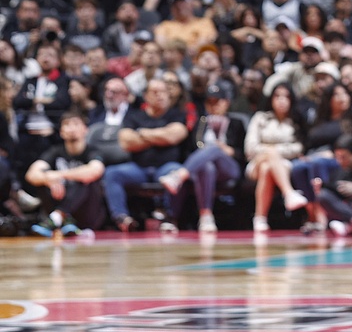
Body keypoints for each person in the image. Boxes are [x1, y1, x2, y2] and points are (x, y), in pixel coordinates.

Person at [105, 77, 190, 232]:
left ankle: (169, 217)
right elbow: (126, 142)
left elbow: (174, 136)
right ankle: (122, 218)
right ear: (146, 96)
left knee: (177, 173)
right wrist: (160, 137)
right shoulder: (134, 115)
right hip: (139, 168)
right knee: (112, 173)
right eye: (155, 92)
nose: (160, 95)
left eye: (164, 92)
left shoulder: (177, 114)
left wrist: (141, 133)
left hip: (166, 167)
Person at [172, 79, 246, 234]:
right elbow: (191, 150)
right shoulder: (201, 123)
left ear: (226, 102)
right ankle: (206, 216)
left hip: (229, 168)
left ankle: (179, 175)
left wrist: (229, 150)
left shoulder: (237, 123)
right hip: (204, 169)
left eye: (217, 101)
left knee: (214, 147)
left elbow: (244, 154)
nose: (213, 106)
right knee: (207, 166)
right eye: (210, 102)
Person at [24, 111, 105, 234]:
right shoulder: (55, 151)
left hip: (88, 214)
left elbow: (95, 170)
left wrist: (58, 175)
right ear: (61, 132)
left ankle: (58, 216)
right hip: (60, 200)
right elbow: (31, 174)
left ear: (85, 129)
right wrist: (48, 180)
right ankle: (64, 219)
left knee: (83, 179)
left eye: (76, 124)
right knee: (43, 178)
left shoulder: (92, 151)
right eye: (67, 124)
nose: (71, 128)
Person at [245, 83, 309, 233]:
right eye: (277, 96)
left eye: (286, 97)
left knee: (267, 168)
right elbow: (250, 148)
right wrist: (272, 151)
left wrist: (274, 151)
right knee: (269, 156)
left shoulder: (296, 121)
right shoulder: (260, 118)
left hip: (284, 164)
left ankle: (260, 218)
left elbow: (299, 147)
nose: (281, 100)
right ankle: (288, 193)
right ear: (271, 99)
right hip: (256, 162)